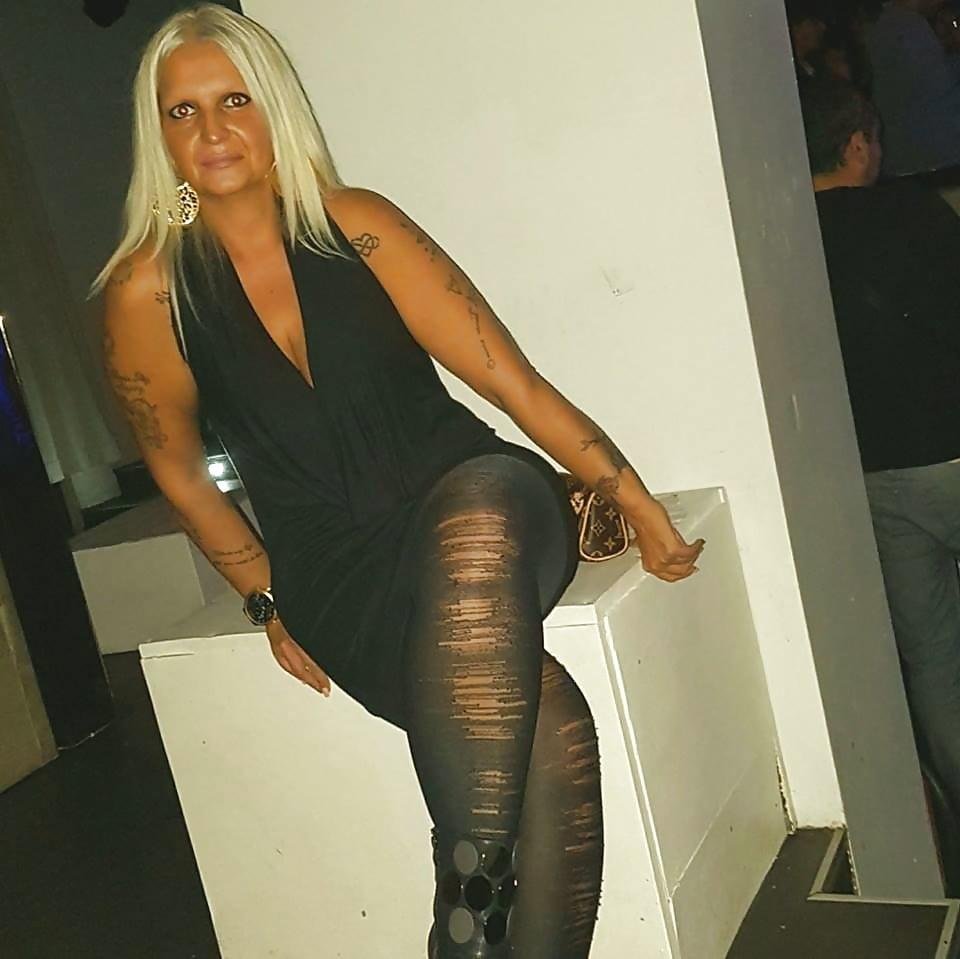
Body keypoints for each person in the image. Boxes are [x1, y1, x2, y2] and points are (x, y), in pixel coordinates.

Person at [92, 5, 703, 957]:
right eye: (183, 111)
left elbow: (509, 380)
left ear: (274, 107)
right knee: (553, 732)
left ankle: (465, 920)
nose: (212, 130)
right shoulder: (149, 291)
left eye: (234, 100)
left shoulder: (360, 226)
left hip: (476, 498)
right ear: (158, 133)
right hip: (341, 570)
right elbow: (175, 466)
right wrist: (265, 597)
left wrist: (632, 497)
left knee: (478, 518)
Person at [801, 79, 960, 843]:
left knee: (933, 654)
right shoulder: (913, 211)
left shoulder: (785, 236)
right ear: (857, 143)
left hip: (871, 473)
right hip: (952, 445)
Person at [865, 0, 960, 175]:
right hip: (933, 162)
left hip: (912, 160)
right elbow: (936, 86)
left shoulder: (892, 24)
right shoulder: (905, 26)